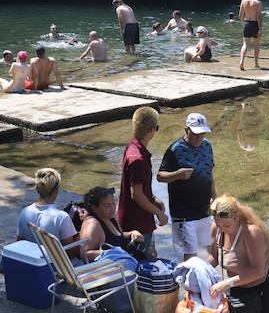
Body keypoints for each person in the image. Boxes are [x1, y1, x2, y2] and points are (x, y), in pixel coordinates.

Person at [206, 194, 269, 313]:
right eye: (218, 224)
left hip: (265, 287)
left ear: (237, 218)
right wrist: (197, 268)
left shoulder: (252, 232)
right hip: (238, 286)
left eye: (227, 225)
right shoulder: (217, 228)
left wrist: (225, 284)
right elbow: (215, 257)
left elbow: (258, 271)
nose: (222, 229)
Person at [158, 112, 215, 258]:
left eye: (202, 133)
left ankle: (211, 280)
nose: (199, 137)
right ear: (186, 130)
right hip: (183, 213)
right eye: (196, 134)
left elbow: (210, 174)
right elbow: (160, 176)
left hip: (204, 209)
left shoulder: (207, 146)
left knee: (213, 249)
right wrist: (177, 175)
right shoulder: (175, 150)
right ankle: (187, 280)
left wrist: (215, 199)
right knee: (190, 254)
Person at [119, 106, 168, 238]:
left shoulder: (131, 148)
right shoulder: (138, 159)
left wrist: (153, 198)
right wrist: (159, 213)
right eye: (156, 128)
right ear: (151, 130)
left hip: (130, 220)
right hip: (138, 226)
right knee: (145, 257)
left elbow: (137, 187)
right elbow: (137, 195)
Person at [77, 186, 151, 260]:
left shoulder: (110, 219)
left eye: (113, 203)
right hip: (109, 268)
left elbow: (118, 237)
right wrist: (110, 252)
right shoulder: (93, 224)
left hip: (123, 264)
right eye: (107, 206)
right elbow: (84, 254)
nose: (113, 208)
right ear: (94, 208)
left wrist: (132, 233)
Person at [17, 167, 79, 250]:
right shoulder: (61, 217)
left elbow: (19, 243)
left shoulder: (25, 212)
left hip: (33, 260)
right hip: (53, 262)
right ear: (56, 190)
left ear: (37, 189)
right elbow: (71, 252)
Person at [238, 0, 262, 70]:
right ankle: (256, 64)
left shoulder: (243, 1)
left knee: (245, 44)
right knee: (256, 45)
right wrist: (260, 29)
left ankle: (241, 61)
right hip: (255, 23)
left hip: (246, 23)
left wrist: (243, 23)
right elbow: (259, 17)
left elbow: (240, 15)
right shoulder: (258, 3)